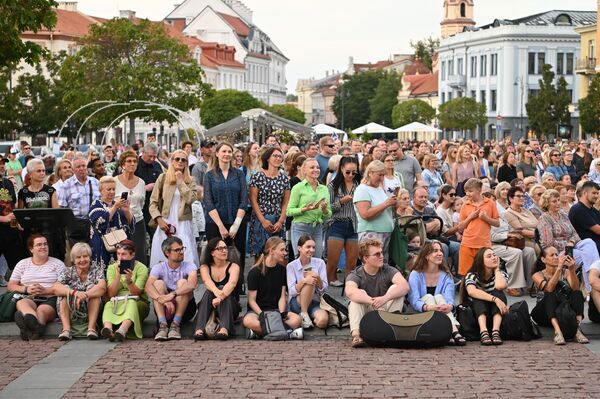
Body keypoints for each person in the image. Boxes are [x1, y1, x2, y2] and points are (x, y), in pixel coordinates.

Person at [345, 238, 409, 348]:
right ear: (366, 258)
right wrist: (373, 302)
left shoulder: (388, 269)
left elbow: (405, 286)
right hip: (368, 313)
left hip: (387, 311)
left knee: (396, 289)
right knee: (357, 295)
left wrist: (385, 298)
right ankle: (357, 335)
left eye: (382, 253)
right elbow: (350, 292)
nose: (381, 256)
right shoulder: (356, 274)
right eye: (377, 254)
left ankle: (393, 329)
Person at [8, 234, 66, 341]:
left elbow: (63, 286)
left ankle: (28, 327)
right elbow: (11, 286)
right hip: (29, 296)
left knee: (41, 311)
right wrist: (26, 289)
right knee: (22, 303)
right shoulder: (22, 264)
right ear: (31, 249)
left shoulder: (58, 264)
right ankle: (36, 327)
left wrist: (46, 290)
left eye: (45, 244)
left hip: (50, 297)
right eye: (39, 245)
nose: (43, 247)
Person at [407, 241, 465, 345]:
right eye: (435, 251)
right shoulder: (415, 274)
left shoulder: (446, 275)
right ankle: (454, 330)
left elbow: (449, 298)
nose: (440, 253)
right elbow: (414, 301)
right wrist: (429, 307)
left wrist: (450, 306)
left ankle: (449, 331)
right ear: (426, 256)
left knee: (439, 297)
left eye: (441, 251)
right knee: (429, 297)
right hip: (420, 314)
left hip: (442, 311)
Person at [243, 237, 302, 338]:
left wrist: (281, 313)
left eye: (285, 250)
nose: (285, 253)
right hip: (258, 312)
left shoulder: (282, 270)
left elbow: (282, 296)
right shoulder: (255, 272)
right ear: (271, 251)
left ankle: (260, 333)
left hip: (276, 310)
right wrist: (262, 315)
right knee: (248, 321)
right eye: (282, 250)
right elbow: (252, 300)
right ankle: (287, 332)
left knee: (297, 319)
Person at [149, 149, 199, 268]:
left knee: (184, 252)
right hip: (166, 220)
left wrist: (180, 181)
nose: (180, 162)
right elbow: (153, 202)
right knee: (164, 252)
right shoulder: (163, 177)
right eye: (177, 159)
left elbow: (191, 199)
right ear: (172, 161)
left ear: (187, 163)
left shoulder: (191, 180)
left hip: (183, 221)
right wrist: (158, 219)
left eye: (183, 160)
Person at [530, 246, 588, 345]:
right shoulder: (537, 275)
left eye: (557, 254)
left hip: (562, 312)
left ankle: (577, 330)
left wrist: (572, 270)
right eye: (552, 255)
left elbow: (575, 287)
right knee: (550, 294)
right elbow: (549, 288)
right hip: (543, 314)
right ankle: (558, 332)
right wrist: (559, 269)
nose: (556, 257)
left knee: (577, 293)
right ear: (543, 259)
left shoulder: (566, 273)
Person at [538, 189, 600, 280]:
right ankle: (592, 284)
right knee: (587, 257)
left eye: (558, 200)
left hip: (572, 246)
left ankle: (591, 284)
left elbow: (575, 233)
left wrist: (571, 242)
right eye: (554, 201)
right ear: (547, 204)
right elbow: (548, 243)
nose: (558, 203)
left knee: (589, 242)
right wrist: (566, 245)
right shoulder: (544, 218)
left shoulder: (563, 215)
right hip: (558, 251)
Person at [146, 236, 198, 341]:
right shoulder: (158, 267)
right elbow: (148, 286)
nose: (181, 252)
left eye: (182, 248)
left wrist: (172, 295)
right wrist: (163, 300)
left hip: (186, 310)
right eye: (177, 250)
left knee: (183, 282)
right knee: (158, 284)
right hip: (165, 309)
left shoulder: (190, 266)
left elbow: (192, 284)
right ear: (167, 253)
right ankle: (163, 325)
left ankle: (176, 324)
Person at [53, 243, 106, 340]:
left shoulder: (96, 270)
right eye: (78, 257)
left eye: (85, 256)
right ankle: (66, 330)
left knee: (93, 291)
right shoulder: (67, 271)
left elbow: (102, 287)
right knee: (64, 292)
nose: (82, 260)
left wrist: (85, 295)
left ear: (89, 257)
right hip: (71, 306)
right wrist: (75, 293)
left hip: (90, 305)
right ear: (73, 259)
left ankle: (91, 328)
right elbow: (56, 288)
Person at [101, 240, 149, 341]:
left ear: (132, 255)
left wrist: (129, 281)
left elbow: (137, 293)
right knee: (109, 304)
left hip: (138, 301)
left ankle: (122, 330)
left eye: (124, 254)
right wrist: (118, 275)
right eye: (118, 254)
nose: (120, 257)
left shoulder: (141, 268)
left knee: (131, 303)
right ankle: (108, 329)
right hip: (117, 300)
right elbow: (111, 294)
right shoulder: (111, 268)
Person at [194, 238, 241, 340]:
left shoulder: (233, 266)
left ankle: (224, 329)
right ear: (212, 253)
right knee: (209, 291)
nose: (224, 251)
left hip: (230, 306)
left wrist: (220, 298)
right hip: (211, 305)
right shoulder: (205, 267)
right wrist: (217, 293)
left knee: (223, 288)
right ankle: (199, 329)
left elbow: (232, 284)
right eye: (220, 248)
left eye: (225, 248)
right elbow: (207, 282)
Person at [248, 147, 290, 258]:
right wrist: (263, 220)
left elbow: (286, 202)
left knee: (279, 255)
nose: (278, 158)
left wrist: (281, 221)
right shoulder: (257, 176)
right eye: (275, 156)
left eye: (280, 156)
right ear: (267, 158)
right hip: (261, 218)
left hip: (278, 219)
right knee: (261, 255)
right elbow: (253, 200)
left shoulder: (284, 178)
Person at [353, 161, 396, 264]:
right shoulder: (362, 190)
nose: (382, 178)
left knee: (382, 265)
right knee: (371, 265)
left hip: (384, 232)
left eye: (383, 175)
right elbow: (365, 214)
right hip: (371, 233)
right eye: (379, 175)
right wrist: (386, 204)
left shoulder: (379, 189)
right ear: (370, 173)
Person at [287, 158, 330, 258]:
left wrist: (324, 210)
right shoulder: (298, 187)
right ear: (304, 170)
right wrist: (304, 209)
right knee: (302, 262)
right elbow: (289, 211)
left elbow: (329, 214)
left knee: (317, 260)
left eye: (318, 167)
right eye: (312, 167)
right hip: (300, 227)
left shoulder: (324, 188)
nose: (316, 169)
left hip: (318, 228)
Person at [464, 247, 508, 345]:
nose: (494, 258)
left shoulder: (500, 274)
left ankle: (496, 331)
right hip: (477, 314)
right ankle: (483, 331)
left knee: (498, 292)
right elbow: (471, 292)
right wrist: (495, 299)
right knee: (478, 296)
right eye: (489, 256)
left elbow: (500, 286)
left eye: (494, 255)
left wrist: (497, 269)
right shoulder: (472, 275)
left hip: (495, 313)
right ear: (481, 261)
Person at [327, 157, 360, 286]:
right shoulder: (332, 186)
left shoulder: (360, 186)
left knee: (352, 262)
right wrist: (341, 202)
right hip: (337, 224)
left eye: (354, 172)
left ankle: (350, 285)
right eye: (348, 172)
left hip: (354, 225)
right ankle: (331, 280)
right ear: (341, 169)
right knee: (332, 261)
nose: (351, 175)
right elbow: (328, 209)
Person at [89, 176, 133, 271]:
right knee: (106, 274)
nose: (112, 192)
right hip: (103, 247)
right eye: (109, 189)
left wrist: (126, 211)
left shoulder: (117, 204)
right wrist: (115, 208)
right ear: (101, 191)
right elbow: (100, 223)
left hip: (121, 246)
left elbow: (130, 225)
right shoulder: (96, 205)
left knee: (123, 272)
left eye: (114, 189)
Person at [458, 178, 500, 276]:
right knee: (465, 274)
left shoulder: (490, 203)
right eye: (466, 191)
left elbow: (497, 223)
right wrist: (470, 217)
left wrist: (486, 218)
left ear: (480, 190)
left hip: (484, 245)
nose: (467, 194)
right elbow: (460, 228)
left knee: (485, 273)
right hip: (467, 244)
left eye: (470, 191)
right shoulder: (465, 205)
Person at [287, 236, 329, 330]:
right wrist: (303, 281)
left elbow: (325, 289)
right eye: (308, 247)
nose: (312, 250)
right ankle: (304, 313)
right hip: (297, 302)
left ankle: (306, 318)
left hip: (315, 301)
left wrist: (317, 278)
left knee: (323, 322)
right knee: (309, 281)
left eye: (313, 247)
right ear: (299, 248)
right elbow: (291, 292)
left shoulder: (320, 263)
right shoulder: (291, 266)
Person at [114, 150, 147, 265]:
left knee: (140, 253)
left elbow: (142, 203)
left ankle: (140, 278)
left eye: (134, 161)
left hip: (138, 221)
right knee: (122, 252)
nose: (132, 164)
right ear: (123, 164)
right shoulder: (114, 181)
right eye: (129, 161)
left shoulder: (142, 182)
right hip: (120, 223)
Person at [58, 157, 101, 246]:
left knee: (94, 255)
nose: (81, 168)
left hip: (95, 224)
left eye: (83, 166)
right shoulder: (66, 185)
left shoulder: (96, 182)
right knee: (79, 256)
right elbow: (62, 209)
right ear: (73, 170)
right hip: (76, 227)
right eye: (78, 167)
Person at [135, 143, 164, 237]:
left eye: (154, 157)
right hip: (139, 207)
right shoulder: (135, 165)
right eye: (150, 156)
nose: (152, 159)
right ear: (143, 152)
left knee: (155, 236)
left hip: (154, 207)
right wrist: (145, 188)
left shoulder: (157, 166)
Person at [503, 186, 538, 252]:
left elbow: (537, 223)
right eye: (518, 196)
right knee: (543, 249)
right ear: (511, 199)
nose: (522, 198)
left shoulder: (525, 210)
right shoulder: (508, 213)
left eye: (523, 196)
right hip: (524, 240)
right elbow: (521, 231)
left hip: (537, 237)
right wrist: (539, 234)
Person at [569, 181, 600, 253]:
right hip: (587, 248)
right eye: (593, 193)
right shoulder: (578, 209)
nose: (596, 196)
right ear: (584, 193)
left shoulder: (592, 209)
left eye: (597, 193)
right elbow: (598, 230)